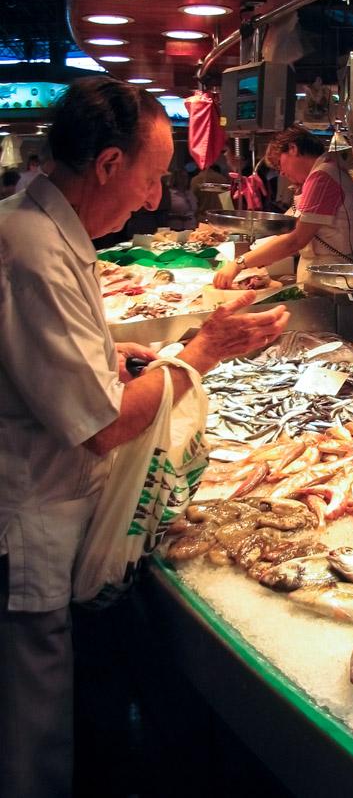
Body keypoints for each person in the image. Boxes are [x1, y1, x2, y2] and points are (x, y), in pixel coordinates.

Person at [0, 76, 289, 798]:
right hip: (26, 524)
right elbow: (99, 428)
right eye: (152, 177)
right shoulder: (31, 248)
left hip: (50, 508)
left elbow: (47, 372)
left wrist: (118, 360)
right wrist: (200, 353)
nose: (155, 198)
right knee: (31, 741)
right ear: (105, 166)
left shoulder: (43, 228)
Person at [213, 124, 353, 288]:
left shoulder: (323, 176)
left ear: (292, 148)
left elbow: (296, 241)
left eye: (279, 164)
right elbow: (292, 229)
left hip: (334, 279)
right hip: (329, 274)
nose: (282, 173)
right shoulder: (327, 171)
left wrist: (239, 263)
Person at [191, 155, 231, 220]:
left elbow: (192, 204)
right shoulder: (223, 179)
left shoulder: (196, 180)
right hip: (220, 219)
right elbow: (228, 205)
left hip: (203, 219)